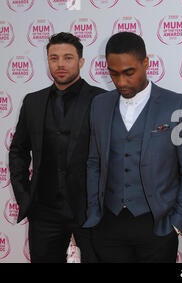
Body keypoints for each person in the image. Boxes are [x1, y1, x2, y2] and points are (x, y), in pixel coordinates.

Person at [83, 32, 182, 263]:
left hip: (157, 226)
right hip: (109, 225)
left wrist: (177, 223)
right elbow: (94, 162)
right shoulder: (99, 105)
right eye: (113, 73)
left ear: (146, 63)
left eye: (129, 73)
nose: (121, 82)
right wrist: (94, 212)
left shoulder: (176, 104)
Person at [9, 32, 106, 263]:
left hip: (89, 210)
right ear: (47, 61)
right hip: (44, 211)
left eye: (68, 57)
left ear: (81, 61)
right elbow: (18, 151)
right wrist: (25, 196)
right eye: (54, 58)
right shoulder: (33, 101)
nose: (60, 64)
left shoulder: (101, 100)